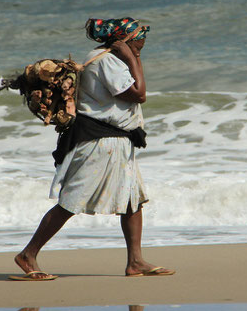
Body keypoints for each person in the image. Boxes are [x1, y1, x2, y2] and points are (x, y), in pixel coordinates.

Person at [11, 17, 175, 281]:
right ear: (126, 40)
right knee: (72, 201)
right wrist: (134, 60)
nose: (144, 42)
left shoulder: (107, 58)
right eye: (140, 38)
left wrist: (130, 56)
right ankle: (28, 254)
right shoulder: (107, 61)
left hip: (117, 140)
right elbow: (139, 93)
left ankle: (135, 262)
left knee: (132, 199)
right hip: (100, 141)